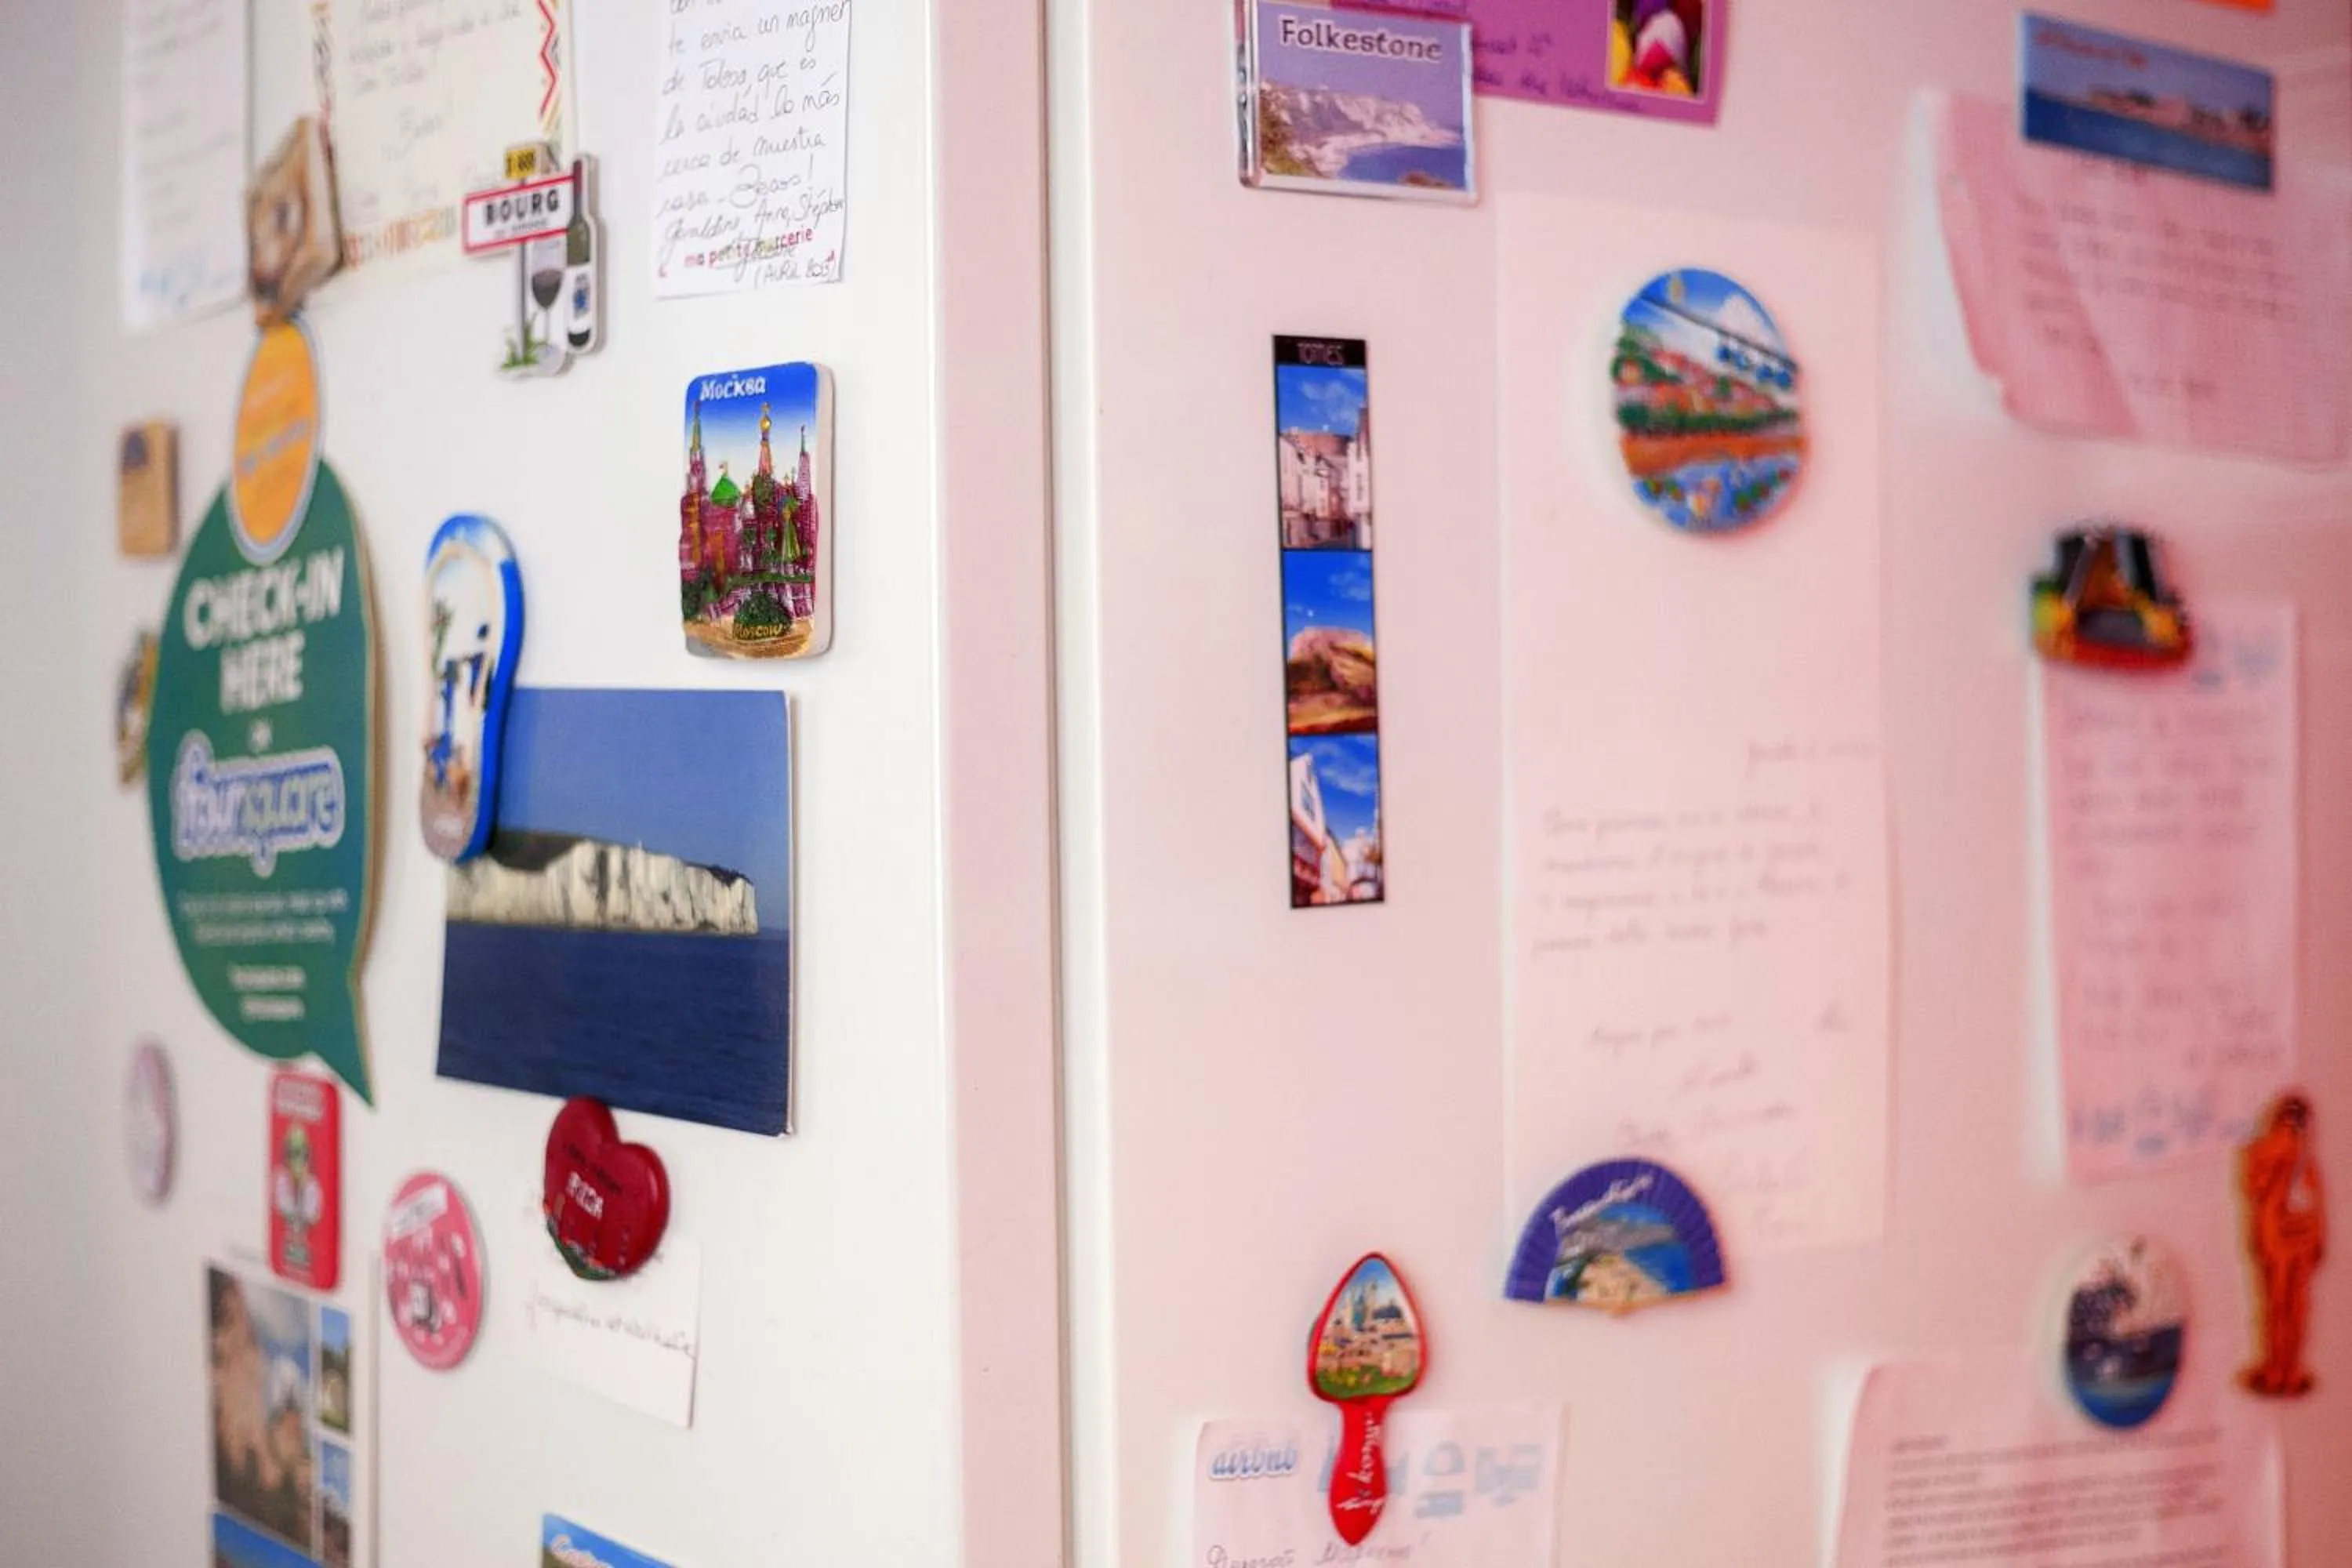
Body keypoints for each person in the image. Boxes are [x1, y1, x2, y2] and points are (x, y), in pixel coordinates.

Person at [2240, 1094, 2325, 1396]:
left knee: (2282, 1308)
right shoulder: (2298, 1151)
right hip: (2294, 1238)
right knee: (2289, 1308)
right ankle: (2285, 1371)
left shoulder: (2270, 1150)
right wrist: (2319, 1239)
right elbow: (2313, 1198)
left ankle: (2281, 1371)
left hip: (2282, 1237)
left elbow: (2255, 1186)